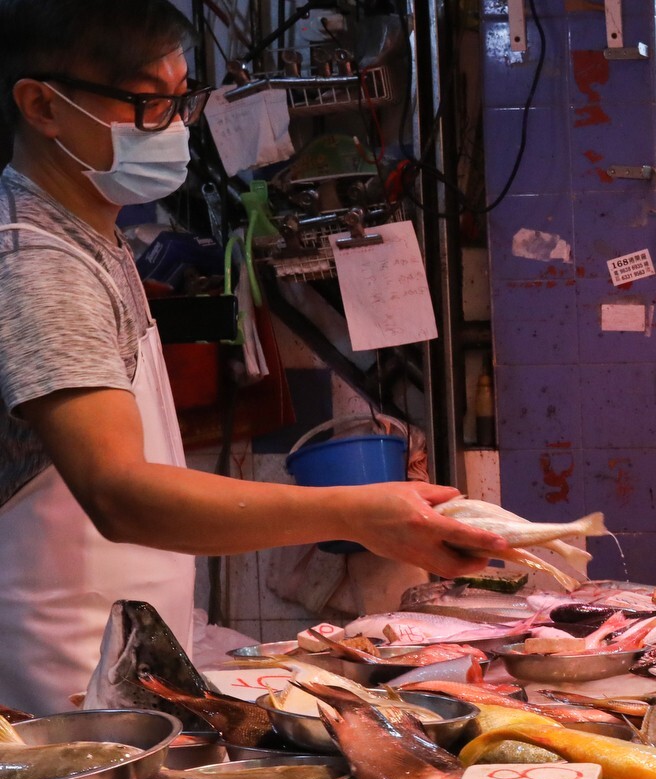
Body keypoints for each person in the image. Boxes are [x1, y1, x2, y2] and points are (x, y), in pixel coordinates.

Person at [0, 0, 506, 714]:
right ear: (41, 107)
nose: (174, 130)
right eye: (148, 104)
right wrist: (355, 514)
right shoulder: (38, 263)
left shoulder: (90, 237)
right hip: (56, 696)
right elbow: (117, 494)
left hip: (117, 676)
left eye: (182, 102)